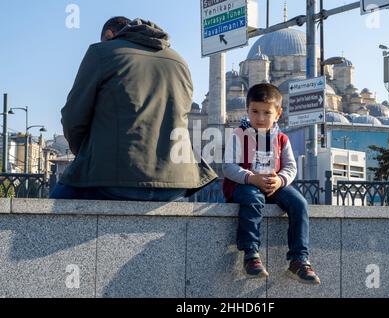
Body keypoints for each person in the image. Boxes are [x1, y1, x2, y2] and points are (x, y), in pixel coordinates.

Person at [50, 17, 217, 201]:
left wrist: (87, 152)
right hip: (177, 184)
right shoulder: (180, 62)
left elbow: (73, 118)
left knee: (51, 210)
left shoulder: (100, 52)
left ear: (109, 35)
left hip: (112, 183)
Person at [222, 83, 320, 285]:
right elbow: (228, 167)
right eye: (254, 111)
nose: (260, 118)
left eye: (266, 112)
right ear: (247, 110)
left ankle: (298, 260)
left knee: (299, 203)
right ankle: (251, 254)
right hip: (244, 186)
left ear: (278, 114)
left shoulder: (282, 139)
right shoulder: (238, 135)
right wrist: (251, 177)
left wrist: (280, 180)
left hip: (273, 186)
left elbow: (291, 167)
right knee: (253, 197)